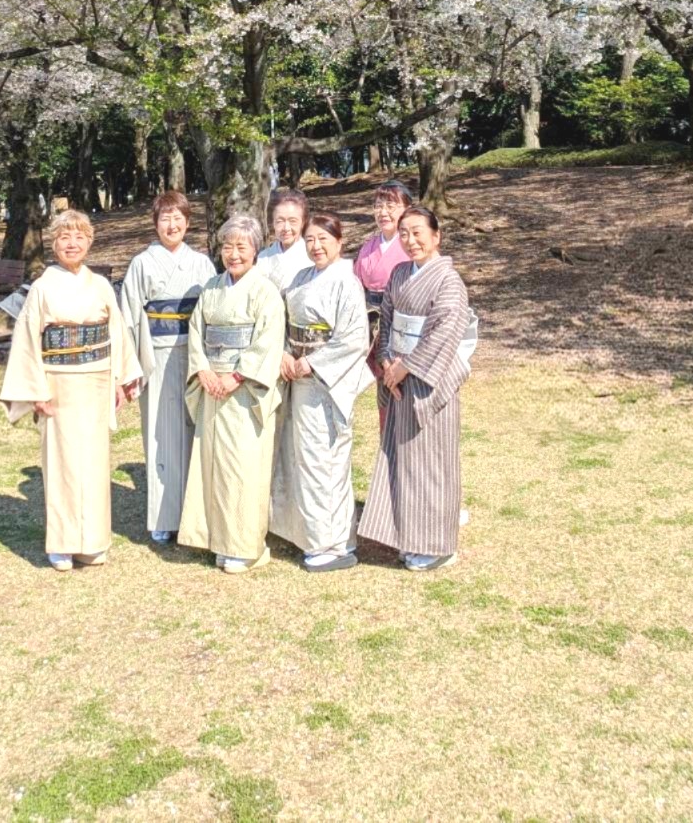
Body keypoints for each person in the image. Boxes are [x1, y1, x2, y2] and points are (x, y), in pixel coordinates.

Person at [0, 210, 141, 571]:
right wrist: (35, 390)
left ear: (89, 242)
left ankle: (92, 541)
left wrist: (121, 381)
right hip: (57, 385)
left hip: (94, 382)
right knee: (61, 463)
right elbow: (28, 341)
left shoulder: (101, 286)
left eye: (79, 237)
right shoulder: (43, 287)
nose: (72, 243)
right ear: (54, 244)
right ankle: (61, 542)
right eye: (64, 237)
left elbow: (118, 334)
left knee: (94, 464)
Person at [358, 205, 478, 572]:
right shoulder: (398, 274)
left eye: (418, 233)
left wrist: (407, 367)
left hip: (429, 380)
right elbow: (389, 322)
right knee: (404, 459)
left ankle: (439, 545)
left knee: (432, 462)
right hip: (398, 376)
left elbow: (444, 332)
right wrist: (389, 362)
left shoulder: (449, 282)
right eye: (404, 233)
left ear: (436, 235)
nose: (411, 241)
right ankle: (408, 536)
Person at [178, 214, 284, 574]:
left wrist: (238, 375)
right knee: (212, 464)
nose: (234, 254)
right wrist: (204, 370)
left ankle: (244, 545)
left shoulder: (265, 291)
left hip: (242, 392)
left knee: (243, 467)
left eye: (242, 246)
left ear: (256, 249)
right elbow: (197, 333)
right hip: (213, 388)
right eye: (227, 246)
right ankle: (217, 539)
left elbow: (268, 341)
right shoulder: (211, 288)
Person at [270, 212, 373, 572]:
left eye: (323, 240)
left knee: (325, 460)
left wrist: (313, 363)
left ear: (339, 242)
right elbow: (283, 323)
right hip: (298, 376)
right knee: (300, 456)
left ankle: (333, 541)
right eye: (310, 240)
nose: (316, 246)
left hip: (326, 380)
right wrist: (285, 351)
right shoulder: (300, 278)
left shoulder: (347, 282)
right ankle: (308, 532)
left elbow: (355, 338)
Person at [119, 190, 215, 543]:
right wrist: (131, 367)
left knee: (195, 431)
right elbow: (129, 317)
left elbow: (211, 311)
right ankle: (163, 516)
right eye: (165, 218)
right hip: (156, 355)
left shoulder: (203, 263)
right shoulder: (142, 263)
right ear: (155, 224)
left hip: (194, 355)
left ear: (188, 222)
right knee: (160, 434)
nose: (172, 225)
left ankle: (194, 513)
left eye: (178, 218)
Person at [352, 180, 414, 431]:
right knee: (384, 394)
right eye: (378, 205)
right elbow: (356, 287)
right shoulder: (369, 247)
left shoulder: (412, 245)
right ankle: (388, 452)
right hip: (372, 328)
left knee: (403, 388)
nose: (383, 212)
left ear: (407, 208)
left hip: (402, 327)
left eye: (391, 205)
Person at [257, 189, 312, 290]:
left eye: (293, 221)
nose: (286, 228)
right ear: (273, 223)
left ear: (303, 223)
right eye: (280, 221)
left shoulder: (311, 257)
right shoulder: (263, 258)